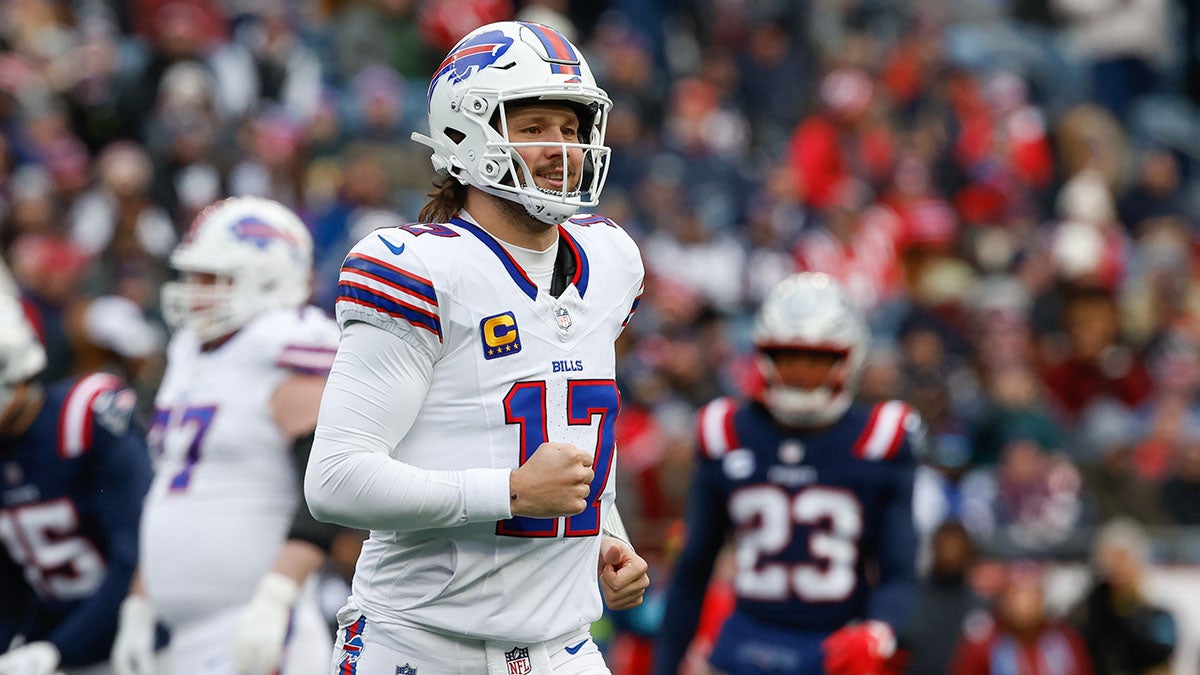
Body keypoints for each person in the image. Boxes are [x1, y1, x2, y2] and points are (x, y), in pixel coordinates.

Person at [304, 20, 650, 674]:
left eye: (572, 129)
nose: (562, 149)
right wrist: (511, 491)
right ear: (466, 130)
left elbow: (569, 436)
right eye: (536, 126)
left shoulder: (610, 260)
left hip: (564, 646)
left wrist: (608, 537)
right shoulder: (418, 269)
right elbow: (336, 480)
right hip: (422, 645)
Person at [109, 196, 342, 675]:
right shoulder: (189, 352)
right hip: (182, 636)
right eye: (192, 277)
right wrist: (141, 601)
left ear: (270, 278)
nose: (193, 291)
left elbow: (325, 486)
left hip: (254, 621)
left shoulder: (281, 342)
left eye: (211, 278)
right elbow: (174, 489)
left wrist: (278, 595)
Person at [652, 272, 921, 675]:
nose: (799, 371)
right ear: (765, 356)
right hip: (744, 646)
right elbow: (693, 569)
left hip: (838, 648)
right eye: (788, 356)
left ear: (849, 358)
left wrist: (879, 631)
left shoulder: (880, 438)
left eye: (817, 358)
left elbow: (899, 571)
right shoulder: (725, 430)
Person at [0, 290, 153, 675]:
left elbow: (134, 553)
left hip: (138, 643)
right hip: (57, 654)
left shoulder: (83, 418)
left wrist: (55, 650)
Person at [1067, 518, 1176, 675]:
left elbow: (1159, 656)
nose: (1117, 568)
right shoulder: (1085, 613)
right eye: (1111, 559)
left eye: (1124, 558)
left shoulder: (1157, 616)